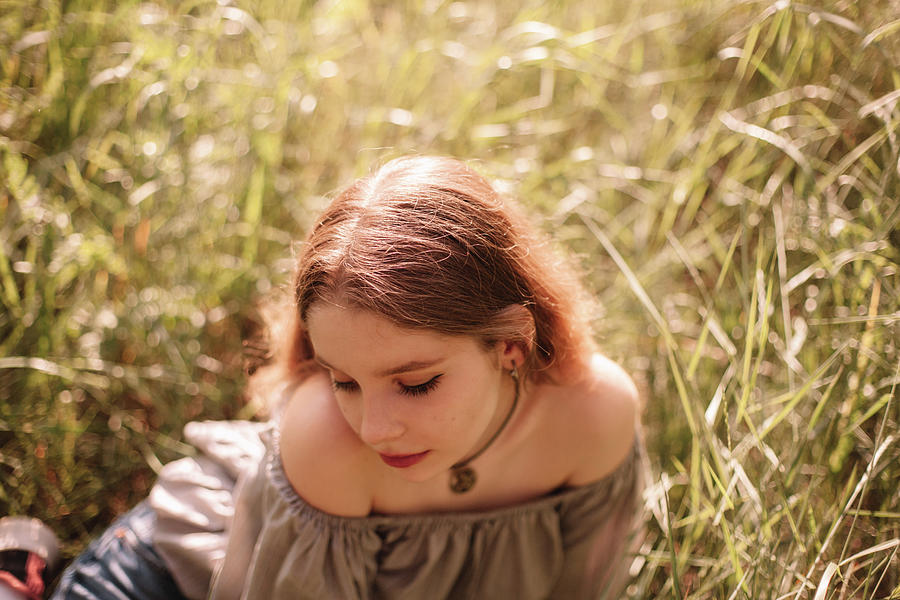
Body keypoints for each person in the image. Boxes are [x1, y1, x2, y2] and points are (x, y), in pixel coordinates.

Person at [41, 155, 644, 599]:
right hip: (176, 575)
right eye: (344, 382)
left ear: (510, 345)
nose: (375, 430)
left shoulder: (593, 416)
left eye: (416, 383)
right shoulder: (327, 442)